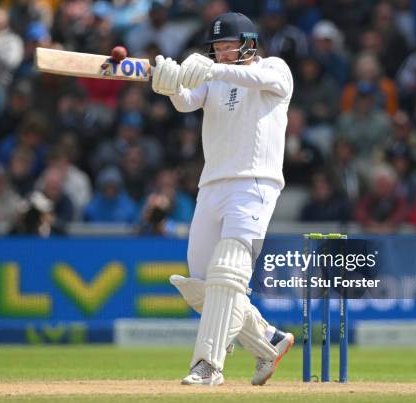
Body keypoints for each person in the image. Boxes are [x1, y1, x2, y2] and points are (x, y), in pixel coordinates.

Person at [151, 12, 294, 386]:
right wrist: (168, 86)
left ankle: (208, 366)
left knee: (228, 273)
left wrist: (213, 71)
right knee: (200, 284)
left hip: (254, 185)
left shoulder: (275, 69)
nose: (222, 53)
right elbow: (186, 102)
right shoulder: (216, 77)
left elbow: (255, 78)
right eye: (217, 48)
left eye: (228, 46)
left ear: (248, 43)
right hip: (212, 185)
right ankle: (268, 339)